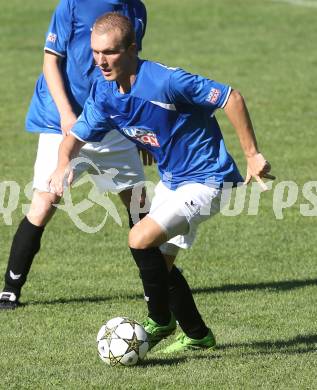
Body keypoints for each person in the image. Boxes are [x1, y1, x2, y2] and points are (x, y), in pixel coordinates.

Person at [49, 13, 274, 353]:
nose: (100, 61)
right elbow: (75, 135)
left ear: (132, 48)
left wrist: (253, 154)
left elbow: (231, 97)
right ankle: (198, 335)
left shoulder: (167, 81)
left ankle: (160, 321)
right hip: (172, 180)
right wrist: (62, 163)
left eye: (109, 52)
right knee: (159, 266)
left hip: (207, 179)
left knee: (139, 239)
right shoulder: (104, 90)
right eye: (95, 52)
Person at [0, 1, 148, 310]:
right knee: (45, 201)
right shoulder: (73, 5)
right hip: (62, 120)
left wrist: (139, 130)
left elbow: (131, 71)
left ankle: (161, 283)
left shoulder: (137, 9)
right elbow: (50, 62)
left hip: (109, 122)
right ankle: (10, 290)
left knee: (139, 207)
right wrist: (68, 115)